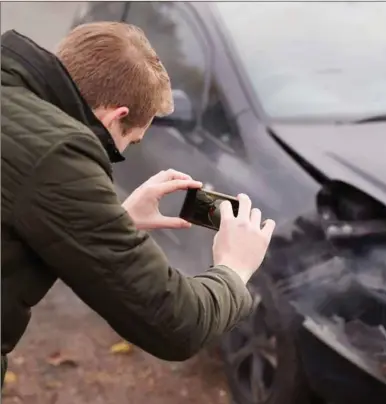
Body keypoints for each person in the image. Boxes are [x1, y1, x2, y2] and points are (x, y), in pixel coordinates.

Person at [1, 22, 276, 385]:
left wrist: (114, 219)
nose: (124, 153)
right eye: (131, 141)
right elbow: (176, 324)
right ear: (116, 116)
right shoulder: (59, 154)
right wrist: (234, 269)